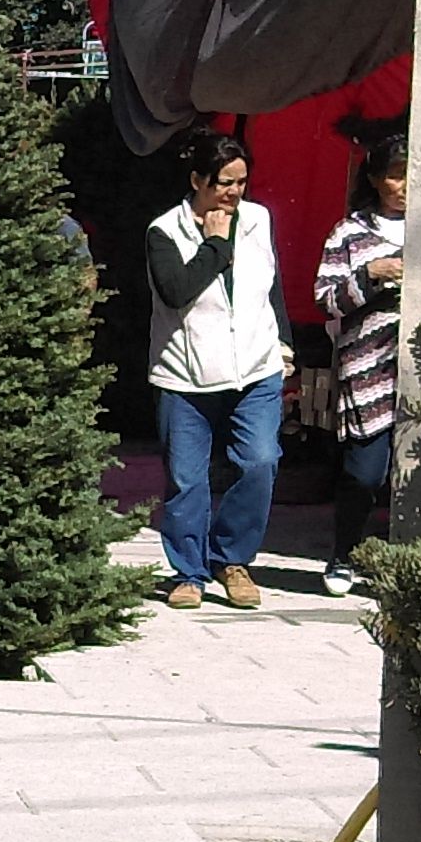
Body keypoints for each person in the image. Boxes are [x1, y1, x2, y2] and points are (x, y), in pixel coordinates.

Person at [142, 130, 286, 610]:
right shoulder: (164, 232)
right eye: (224, 182)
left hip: (255, 366)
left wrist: (284, 344)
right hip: (185, 374)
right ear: (197, 181)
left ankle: (233, 559)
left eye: (242, 182)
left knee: (260, 461)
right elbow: (176, 291)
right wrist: (215, 245)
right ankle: (189, 572)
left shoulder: (259, 220)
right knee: (187, 478)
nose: (234, 193)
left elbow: (271, 286)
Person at [314, 135, 409, 597]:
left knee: (416, 472)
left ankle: (406, 561)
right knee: (365, 471)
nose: (405, 185)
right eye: (394, 174)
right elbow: (326, 300)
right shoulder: (348, 233)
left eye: (412, 173)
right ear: (374, 179)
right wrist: (370, 276)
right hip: (368, 369)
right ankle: (344, 553)